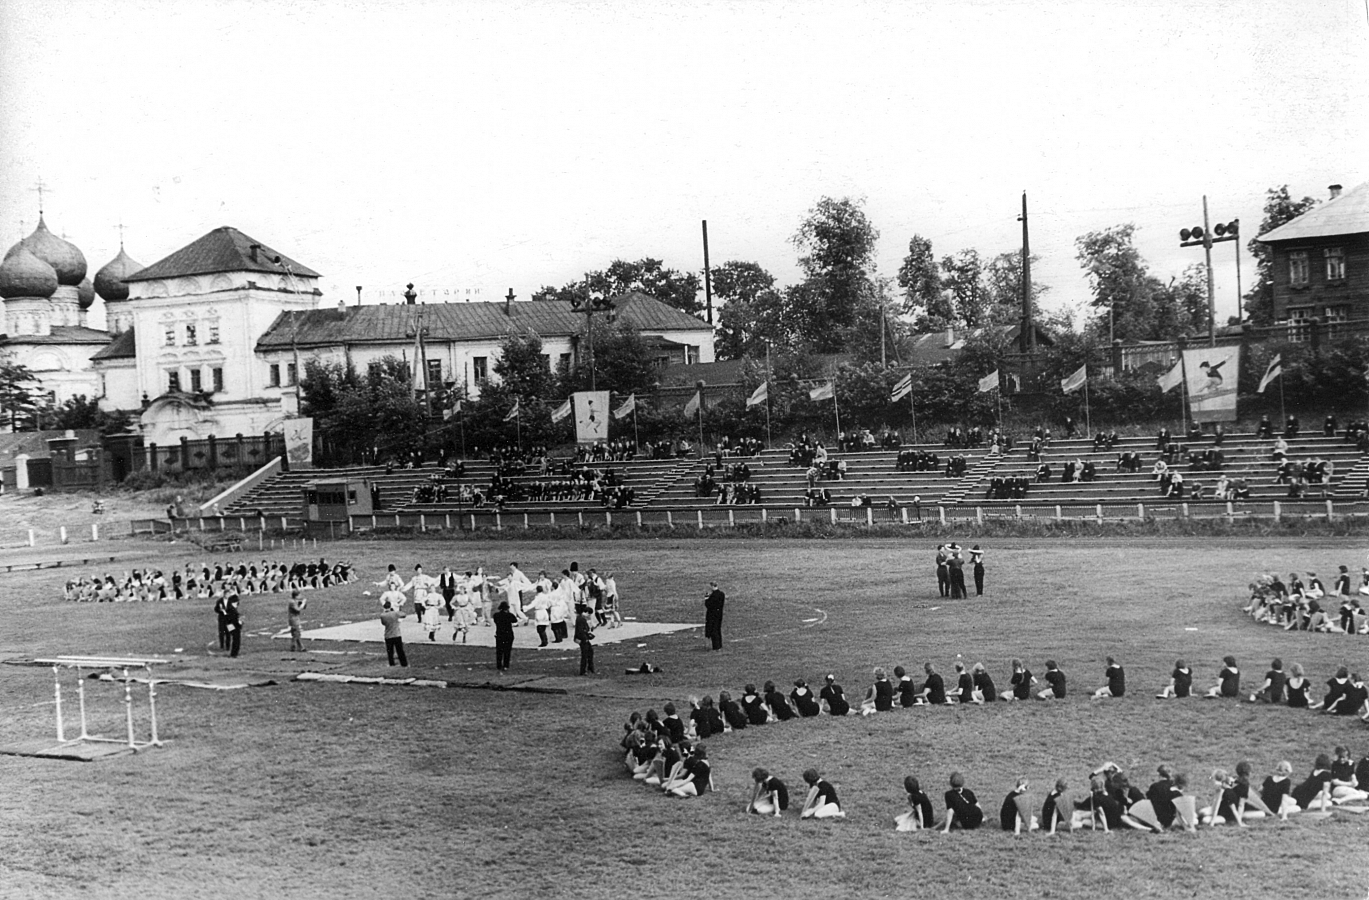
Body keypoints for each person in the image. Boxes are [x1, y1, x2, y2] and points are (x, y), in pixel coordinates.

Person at [380, 599, 407, 667]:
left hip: (388, 635)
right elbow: (404, 614)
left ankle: (391, 663)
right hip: (397, 634)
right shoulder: (395, 613)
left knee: (390, 651)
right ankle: (404, 663)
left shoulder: (383, 615)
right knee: (400, 650)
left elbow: (383, 623)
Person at [493, 600, 517, 671]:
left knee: (499, 651)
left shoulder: (496, 615)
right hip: (508, 634)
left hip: (500, 634)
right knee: (507, 651)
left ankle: (499, 665)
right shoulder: (509, 615)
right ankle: (506, 665)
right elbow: (515, 620)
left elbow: (495, 621)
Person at [574, 603, 596, 675]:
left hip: (584, 639)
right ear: (586, 613)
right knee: (585, 655)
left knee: (590, 652)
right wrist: (586, 638)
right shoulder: (581, 619)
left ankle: (589, 668)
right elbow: (581, 631)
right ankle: (583, 670)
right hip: (583, 640)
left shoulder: (581, 618)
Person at [703, 581, 725, 651]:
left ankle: (716, 646)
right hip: (719, 615)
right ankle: (719, 645)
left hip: (712, 615)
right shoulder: (721, 594)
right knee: (718, 630)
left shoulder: (713, 596)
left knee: (713, 631)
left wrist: (706, 598)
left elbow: (708, 605)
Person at [223, 593, 242, 658]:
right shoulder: (232, 610)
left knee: (234, 638)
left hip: (229, 625)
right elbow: (234, 620)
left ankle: (233, 652)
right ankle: (234, 653)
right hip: (233, 625)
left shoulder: (229, 609)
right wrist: (239, 623)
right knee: (236, 639)